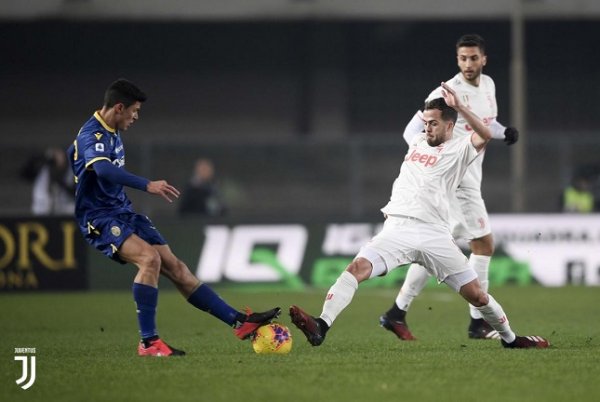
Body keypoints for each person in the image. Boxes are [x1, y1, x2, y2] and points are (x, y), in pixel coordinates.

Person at [289, 83, 549, 350]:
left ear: (450, 126)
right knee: (356, 269)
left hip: (434, 234)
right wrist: (434, 100)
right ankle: (321, 325)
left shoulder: (459, 150)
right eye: (426, 123)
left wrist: (459, 106)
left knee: (478, 296)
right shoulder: (416, 141)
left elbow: (483, 134)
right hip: (396, 228)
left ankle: (511, 339)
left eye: (434, 123)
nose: (428, 128)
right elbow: (414, 125)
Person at [67, 78, 280, 357]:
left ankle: (239, 322)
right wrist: (147, 184)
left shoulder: (112, 130)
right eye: (134, 111)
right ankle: (148, 342)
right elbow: (104, 171)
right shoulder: (91, 134)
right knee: (149, 259)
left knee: (177, 268)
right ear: (119, 108)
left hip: (123, 211)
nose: (136, 117)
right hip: (99, 217)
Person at [379, 34, 520, 341]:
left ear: (484, 59)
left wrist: (504, 131)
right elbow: (411, 131)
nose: (468, 64)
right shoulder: (446, 92)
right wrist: (436, 159)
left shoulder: (489, 86)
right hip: (459, 181)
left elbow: (484, 124)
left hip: (471, 177)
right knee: (483, 245)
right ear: (457, 60)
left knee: (438, 246)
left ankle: (397, 312)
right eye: (462, 59)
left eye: (473, 58)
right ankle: (478, 322)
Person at [21, 147, 75, 215]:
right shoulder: (43, 169)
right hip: (42, 208)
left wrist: (59, 180)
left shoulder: (71, 170)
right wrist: (44, 156)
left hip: (65, 209)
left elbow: (74, 192)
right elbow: (24, 175)